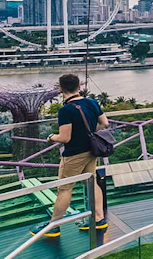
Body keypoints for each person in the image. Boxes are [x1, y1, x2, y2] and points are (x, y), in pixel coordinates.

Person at [31, 74, 109, 236]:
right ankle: (99, 218)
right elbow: (104, 123)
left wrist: (51, 138)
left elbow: (65, 138)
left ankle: (54, 226)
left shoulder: (66, 110)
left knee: (65, 189)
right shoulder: (92, 102)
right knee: (91, 181)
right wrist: (90, 134)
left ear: (60, 89)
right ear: (79, 87)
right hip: (92, 150)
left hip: (74, 154)